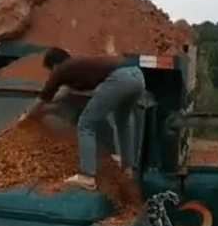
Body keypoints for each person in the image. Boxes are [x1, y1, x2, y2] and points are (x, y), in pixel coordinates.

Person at [19, 47, 145, 190]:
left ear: (54, 65)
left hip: (120, 78)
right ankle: (128, 168)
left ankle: (87, 176)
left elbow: (43, 97)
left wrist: (27, 115)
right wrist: (48, 109)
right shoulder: (78, 67)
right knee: (123, 120)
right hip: (137, 76)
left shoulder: (61, 69)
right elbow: (63, 94)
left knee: (86, 123)